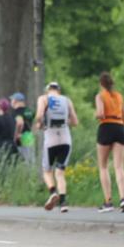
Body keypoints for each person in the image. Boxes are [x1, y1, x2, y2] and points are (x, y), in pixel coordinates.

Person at [35, 83, 79, 213]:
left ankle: (53, 192)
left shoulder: (43, 98)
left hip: (51, 139)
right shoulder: (67, 100)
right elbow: (75, 122)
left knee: (47, 171)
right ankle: (63, 203)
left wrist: (41, 123)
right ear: (58, 91)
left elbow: (38, 116)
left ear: (48, 90)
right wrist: (65, 121)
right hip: (66, 139)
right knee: (60, 173)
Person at [95, 72, 124, 212]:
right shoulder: (119, 96)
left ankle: (108, 201)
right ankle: (123, 199)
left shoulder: (100, 96)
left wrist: (95, 114)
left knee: (103, 166)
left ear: (101, 84)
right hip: (119, 128)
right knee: (119, 167)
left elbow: (100, 113)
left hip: (106, 127)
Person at [10, 92, 35, 163]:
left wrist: (17, 135)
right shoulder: (29, 111)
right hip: (29, 137)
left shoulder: (16, 112)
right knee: (30, 162)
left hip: (19, 139)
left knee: (19, 162)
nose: (11, 102)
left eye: (12, 100)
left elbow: (20, 122)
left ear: (15, 101)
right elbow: (36, 123)